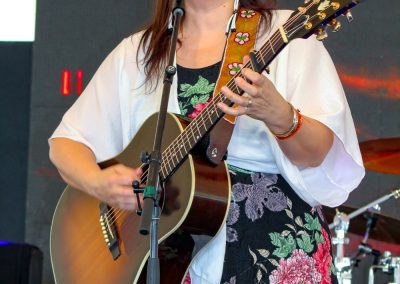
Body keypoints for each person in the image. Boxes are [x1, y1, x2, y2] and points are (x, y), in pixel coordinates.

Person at [49, 0, 365, 283]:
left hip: (276, 251)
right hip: (177, 255)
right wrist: (99, 183)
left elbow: (318, 155)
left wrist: (279, 114)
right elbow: (66, 145)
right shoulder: (139, 53)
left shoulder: (283, 35)